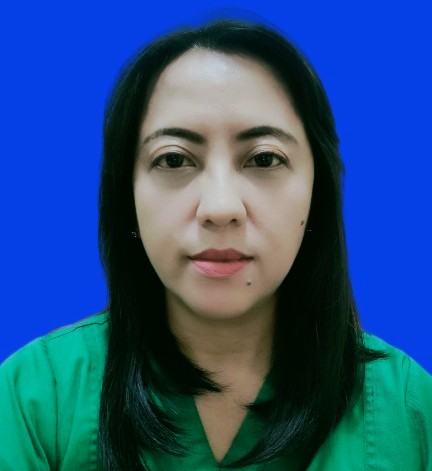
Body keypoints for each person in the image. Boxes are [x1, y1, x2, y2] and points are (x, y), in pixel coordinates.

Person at [0, 19, 431, 471]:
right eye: (173, 159)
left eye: (264, 158)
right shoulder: (34, 399)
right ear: (127, 196)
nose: (220, 207)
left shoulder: (409, 410)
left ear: (316, 193)